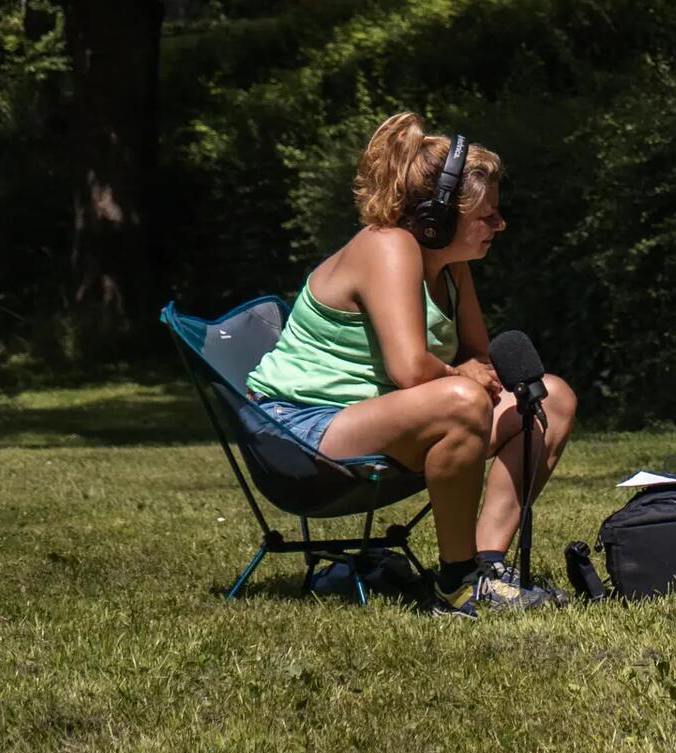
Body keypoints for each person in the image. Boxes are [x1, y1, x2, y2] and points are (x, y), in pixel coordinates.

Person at [245, 112, 577, 617]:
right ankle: (457, 583)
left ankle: (487, 567)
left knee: (549, 398)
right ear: (436, 220)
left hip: (373, 421)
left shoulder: (451, 267)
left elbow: (477, 355)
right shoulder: (388, 246)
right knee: (461, 399)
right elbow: (410, 371)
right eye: (486, 216)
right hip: (295, 434)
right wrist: (464, 379)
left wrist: (472, 373)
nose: (500, 224)